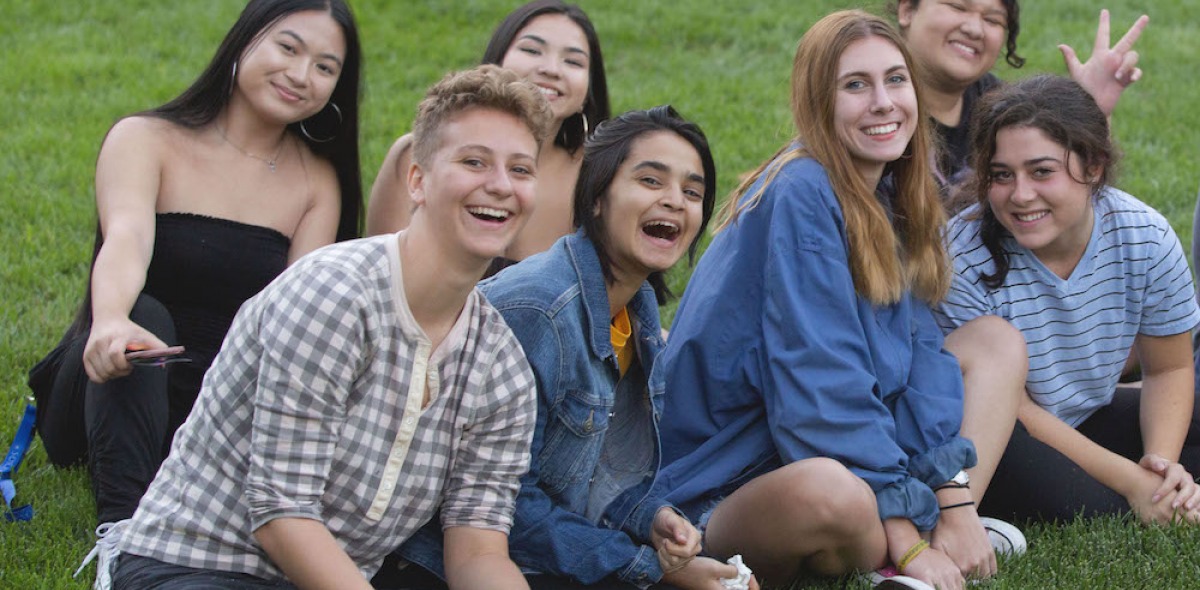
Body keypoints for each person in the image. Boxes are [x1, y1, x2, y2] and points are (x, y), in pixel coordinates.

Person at [108, 64, 552, 590]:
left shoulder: (500, 365)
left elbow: (478, 551)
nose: (500, 186)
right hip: (197, 565)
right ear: (417, 179)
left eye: (521, 170)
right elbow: (281, 513)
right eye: (474, 161)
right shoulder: (335, 294)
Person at [640, 11, 1025, 590]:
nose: (883, 102)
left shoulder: (894, 187)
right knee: (833, 494)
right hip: (733, 476)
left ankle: (931, 531)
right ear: (819, 102)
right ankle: (893, 555)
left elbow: (919, 356)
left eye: (896, 80)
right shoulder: (802, 189)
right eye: (855, 85)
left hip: (822, 442)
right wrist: (905, 533)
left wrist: (954, 501)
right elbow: (818, 383)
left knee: (995, 342)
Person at [29, 0, 363, 532]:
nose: (301, 75)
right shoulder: (146, 139)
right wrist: (112, 318)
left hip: (219, 405)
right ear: (243, 41)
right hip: (109, 382)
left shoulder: (317, 181)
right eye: (288, 47)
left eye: (325, 67)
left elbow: (297, 313)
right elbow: (127, 237)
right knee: (146, 327)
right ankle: (123, 533)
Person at [387, 106, 749, 590]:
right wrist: (653, 570)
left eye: (692, 191)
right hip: (436, 561)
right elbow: (499, 507)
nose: (674, 202)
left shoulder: (635, 311)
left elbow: (590, 469)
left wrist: (651, 520)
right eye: (650, 181)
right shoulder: (541, 311)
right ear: (597, 198)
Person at [935, 74, 1200, 525]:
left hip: (1086, 413)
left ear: (1093, 166)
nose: (1021, 195)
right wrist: (1130, 481)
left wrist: (1160, 466)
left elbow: (1170, 368)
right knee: (1092, 507)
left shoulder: (1146, 236)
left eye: (1042, 171)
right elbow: (1015, 409)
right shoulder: (960, 256)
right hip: (999, 435)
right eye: (1001, 175)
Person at [365, 0, 610, 272]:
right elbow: (380, 273)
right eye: (531, 49)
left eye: (573, 61)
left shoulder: (598, 181)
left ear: (587, 93)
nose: (551, 69)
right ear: (498, 59)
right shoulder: (417, 154)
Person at [890, 0, 1147, 184]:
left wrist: (1091, 110)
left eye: (992, 20)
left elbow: (1072, 197)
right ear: (907, 10)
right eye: (957, 7)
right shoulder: (874, 106)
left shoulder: (1001, 107)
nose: (974, 29)